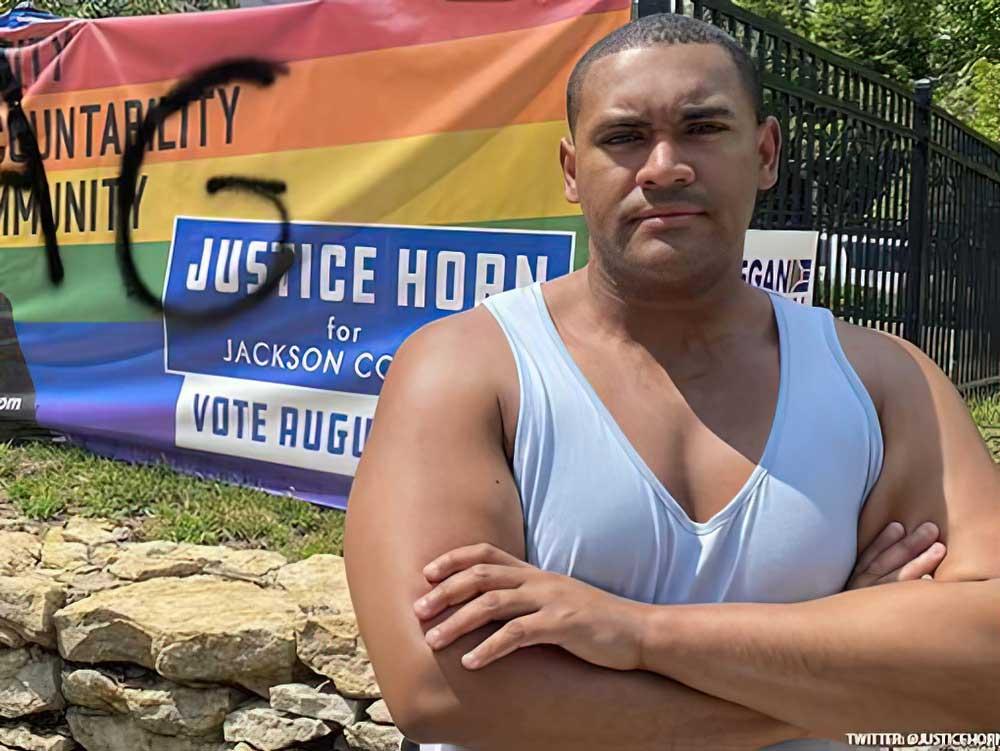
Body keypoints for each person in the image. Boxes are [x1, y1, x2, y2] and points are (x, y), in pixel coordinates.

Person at [344, 13, 999, 751]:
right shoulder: (469, 370)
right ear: (571, 170)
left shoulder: (884, 381)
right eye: (624, 137)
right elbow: (440, 690)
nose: (663, 167)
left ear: (766, 153)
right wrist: (845, 676)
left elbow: (987, 664)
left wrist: (637, 632)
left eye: (702, 128)